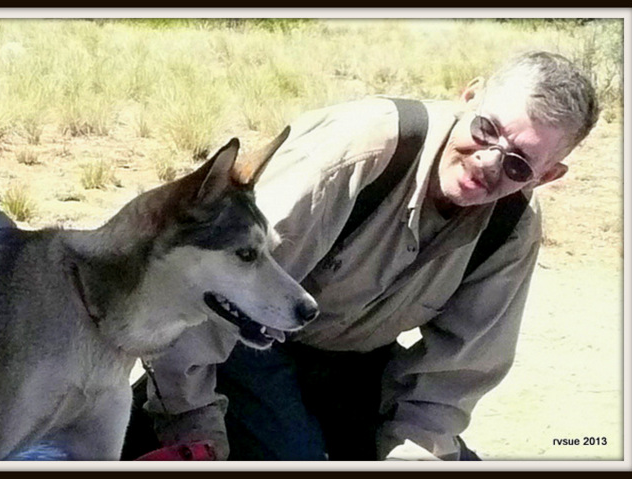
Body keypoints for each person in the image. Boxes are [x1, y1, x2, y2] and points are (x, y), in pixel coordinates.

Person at [134, 51, 599, 461]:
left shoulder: (512, 227)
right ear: (469, 95)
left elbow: (454, 374)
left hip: (354, 368)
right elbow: (202, 290)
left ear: (547, 176)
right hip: (246, 346)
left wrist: (414, 456)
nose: (488, 163)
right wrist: (191, 422)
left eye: (518, 164)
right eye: (486, 130)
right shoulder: (360, 152)